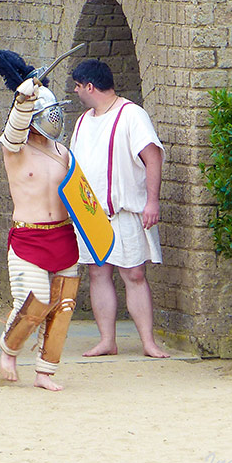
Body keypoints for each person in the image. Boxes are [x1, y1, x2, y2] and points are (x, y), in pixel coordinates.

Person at [0, 45, 82, 391]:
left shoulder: (63, 151)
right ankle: (9, 351)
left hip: (64, 234)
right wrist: (23, 102)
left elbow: (80, 195)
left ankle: (45, 372)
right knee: (34, 301)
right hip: (29, 236)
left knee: (63, 306)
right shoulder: (15, 150)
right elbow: (13, 132)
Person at [69, 58, 169, 359]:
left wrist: (152, 201)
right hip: (91, 213)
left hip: (125, 211)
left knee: (134, 274)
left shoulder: (132, 115)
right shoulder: (84, 120)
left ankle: (148, 342)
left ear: (90, 86)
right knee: (98, 274)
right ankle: (107, 340)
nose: (75, 91)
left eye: (77, 86)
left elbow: (153, 157)